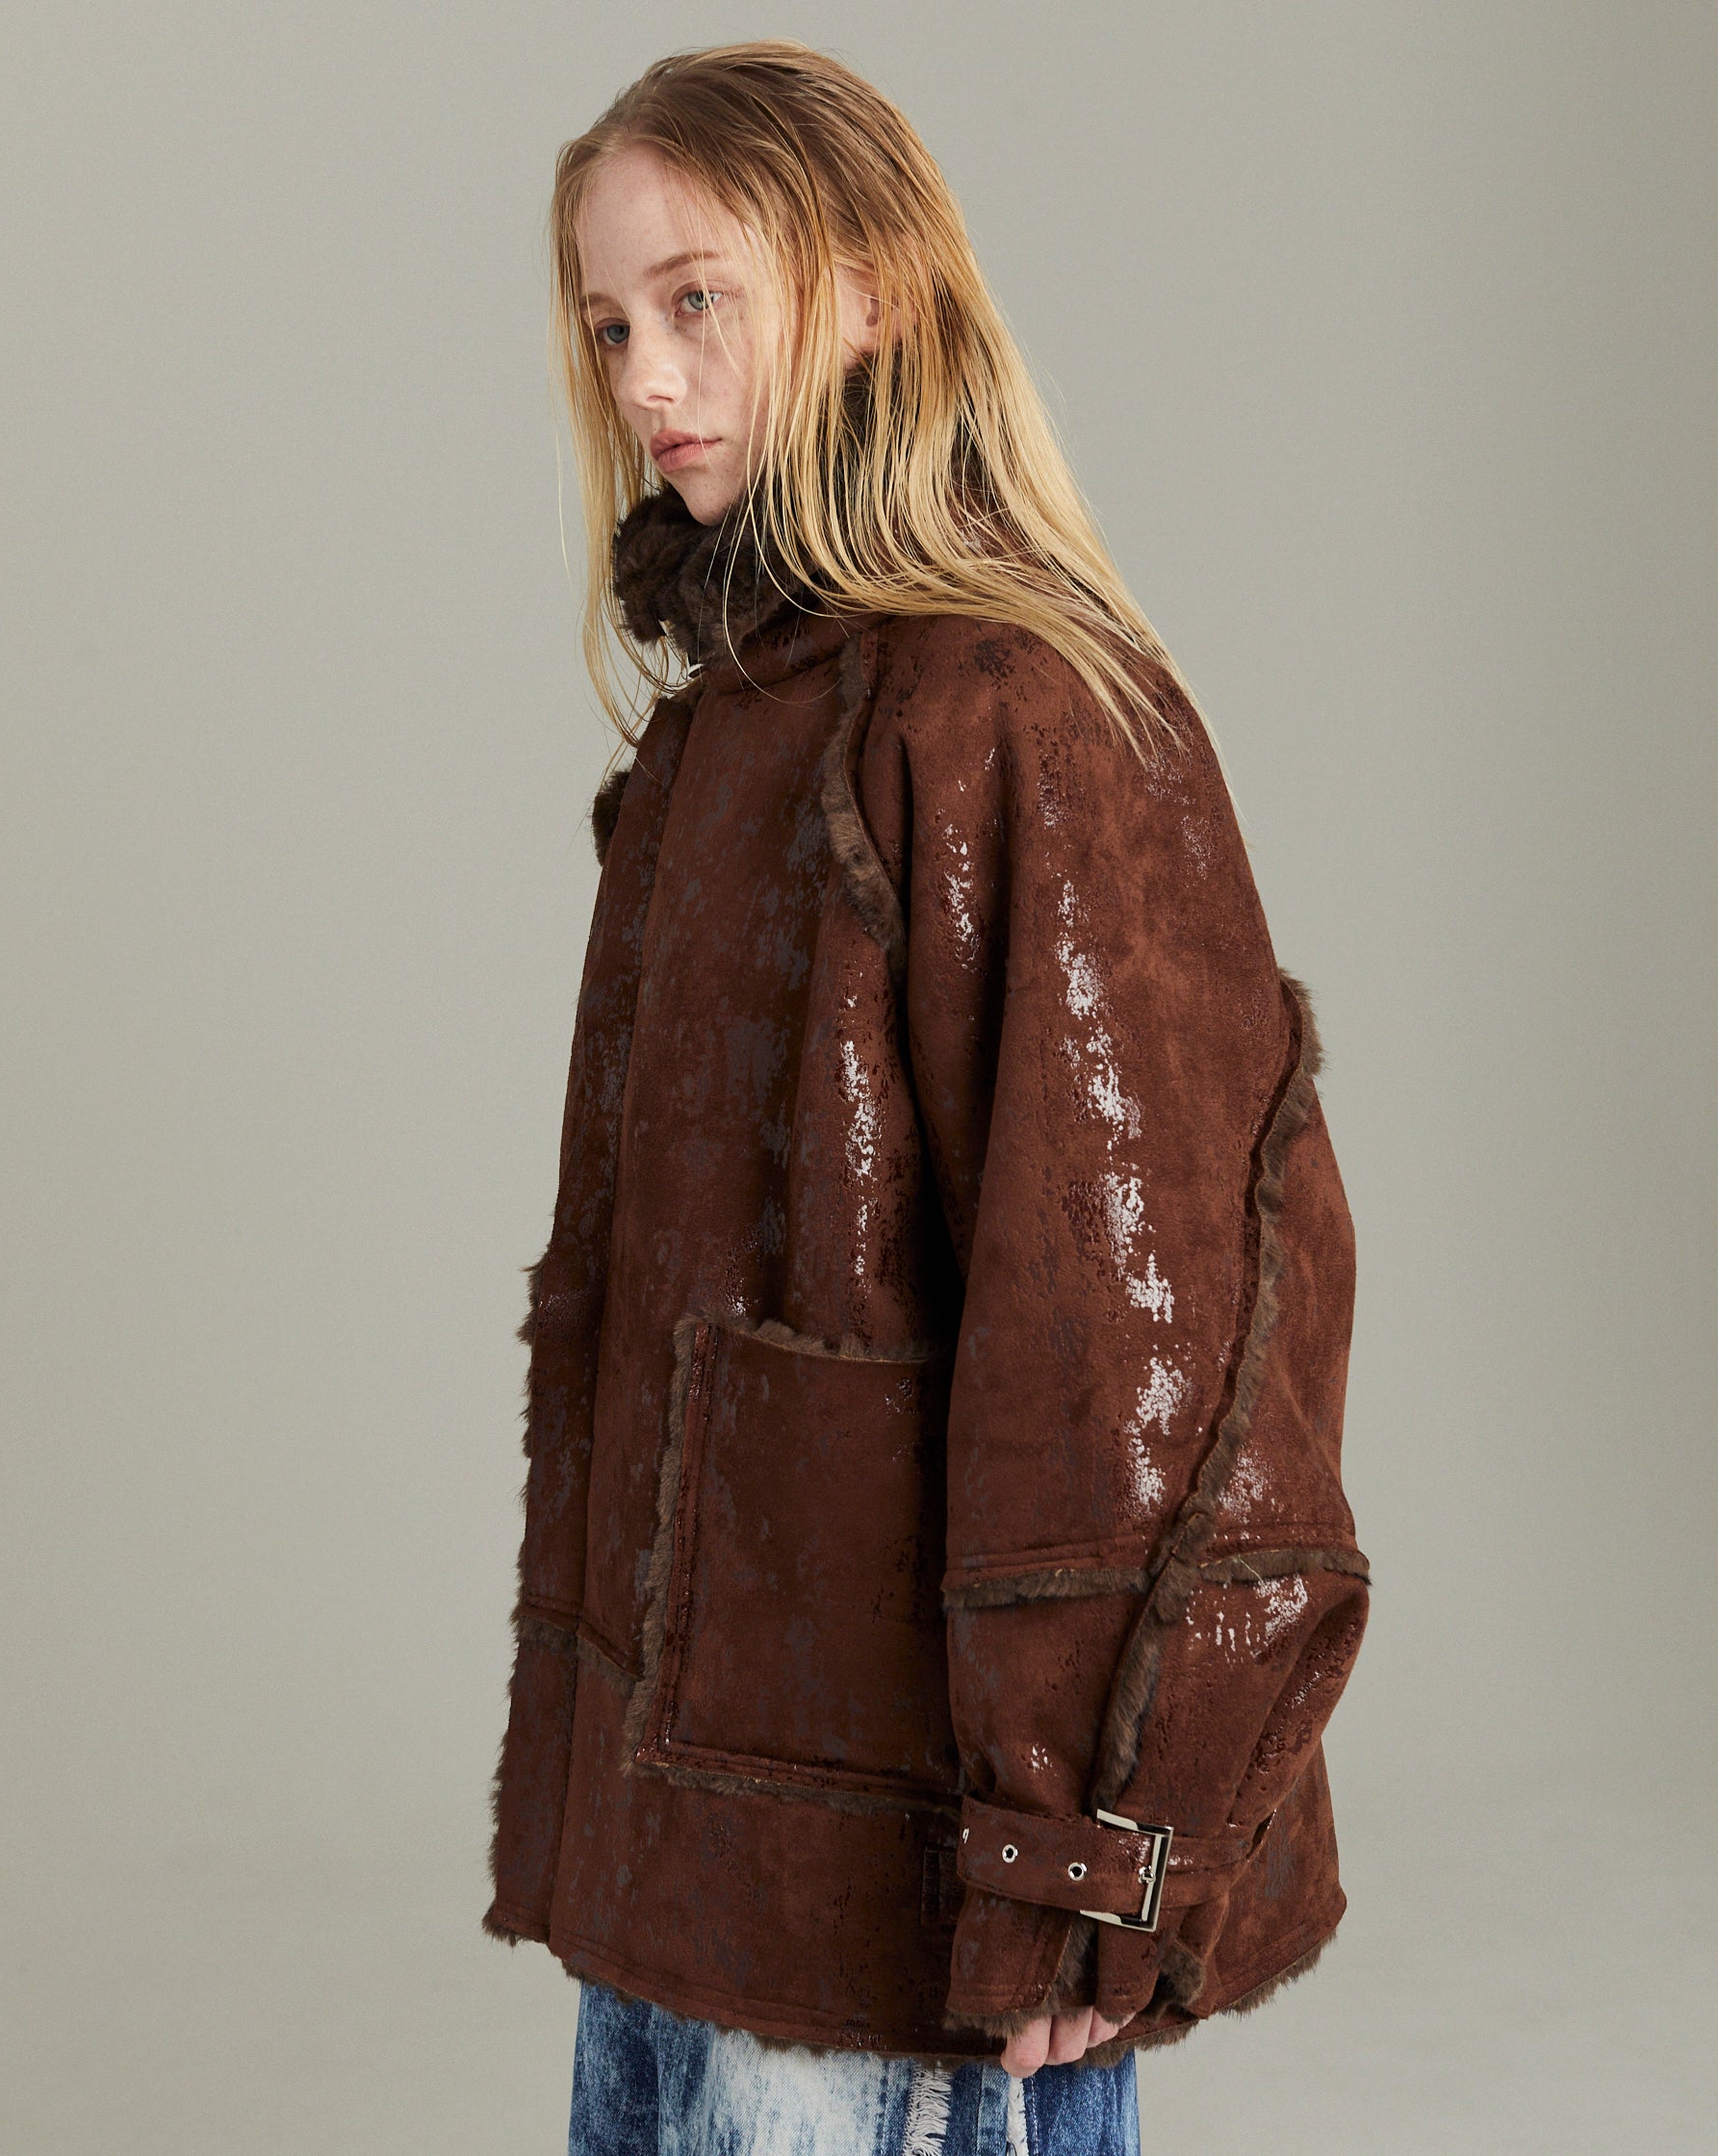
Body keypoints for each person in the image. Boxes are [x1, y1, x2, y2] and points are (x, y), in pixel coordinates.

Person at [483, 40, 1369, 2156]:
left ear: (872, 289)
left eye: (697, 298)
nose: (643, 375)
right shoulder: (731, 733)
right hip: (708, 1854)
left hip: (899, 1883)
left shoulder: (1011, 711)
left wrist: (1092, 1861)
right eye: (608, 325)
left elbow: (1153, 1336)